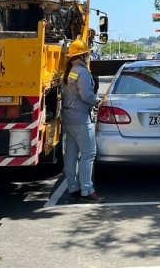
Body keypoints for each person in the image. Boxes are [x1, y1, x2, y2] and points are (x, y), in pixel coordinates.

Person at [61, 39, 104, 203]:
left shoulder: (71, 70)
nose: (89, 55)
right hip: (81, 119)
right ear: (83, 54)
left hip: (69, 118)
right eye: (88, 53)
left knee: (71, 155)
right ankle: (87, 191)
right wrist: (97, 100)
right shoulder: (83, 72)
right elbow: (86, 95)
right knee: (88, 154)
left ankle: (74, 189)